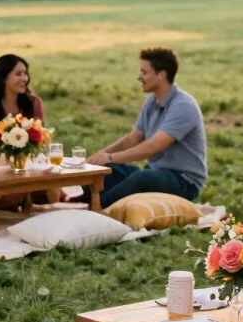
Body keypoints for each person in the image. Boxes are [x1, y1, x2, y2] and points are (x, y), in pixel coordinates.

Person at [88, 47, 206, 207]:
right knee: (108, 170)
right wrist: (100, 157)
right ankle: (69, 201)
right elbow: (132, 140)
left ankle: (96, 209)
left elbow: (153, 147)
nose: (139, 77)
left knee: (142, 178)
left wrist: (110, 157)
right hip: (155, 173)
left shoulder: (183, 106)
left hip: (183, 181)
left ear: (161, 75)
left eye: (144, 72)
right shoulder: (152, 102)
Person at [0, 54, 44, 149]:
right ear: (4, 78)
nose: (24, 79)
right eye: (18, 74)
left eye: (25, 73)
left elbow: (42, 141)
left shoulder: (34, 102)